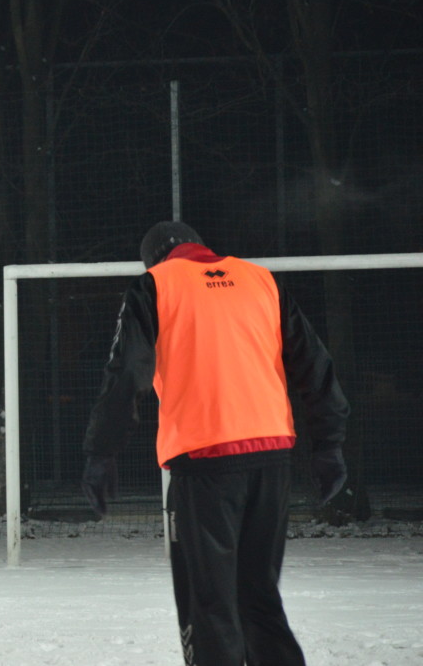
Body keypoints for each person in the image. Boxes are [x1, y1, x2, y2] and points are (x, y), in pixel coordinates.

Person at [80, 221, 350, 666]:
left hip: (205, 459)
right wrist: (329, 444)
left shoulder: (155, 285)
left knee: (209, 603)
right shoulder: (260, 280)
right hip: (272, 455)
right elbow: (315, 364)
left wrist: (101, 450)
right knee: (259, 598)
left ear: (153, 259)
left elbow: (127, 371)